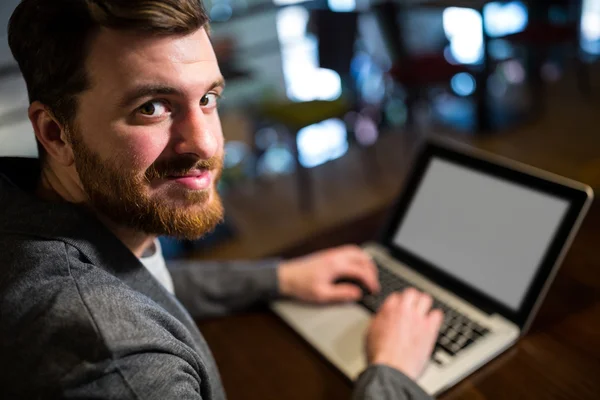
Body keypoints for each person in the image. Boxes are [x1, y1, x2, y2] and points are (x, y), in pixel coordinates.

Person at [0, 0, 443, 399]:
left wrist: (280, 278)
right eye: (151, 107)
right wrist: (390, 373)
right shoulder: (118, 363)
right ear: (56, 134)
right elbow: (118, 316)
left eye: (208, 98)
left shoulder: (32, 208)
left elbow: (144, 283)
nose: (208, 143)